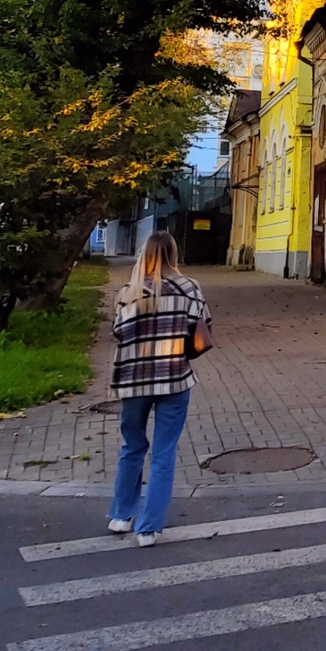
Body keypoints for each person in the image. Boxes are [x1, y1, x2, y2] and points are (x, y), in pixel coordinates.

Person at [107, 230, 208, 546]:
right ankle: (148, 528)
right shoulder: (190, 288)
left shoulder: (130, 291)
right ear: (173, 255)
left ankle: (122, 516)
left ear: (144, 255)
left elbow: (119, 332)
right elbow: (201, 326)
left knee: (132, 446)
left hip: (134, 381)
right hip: (175, 378)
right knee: (164, 453)